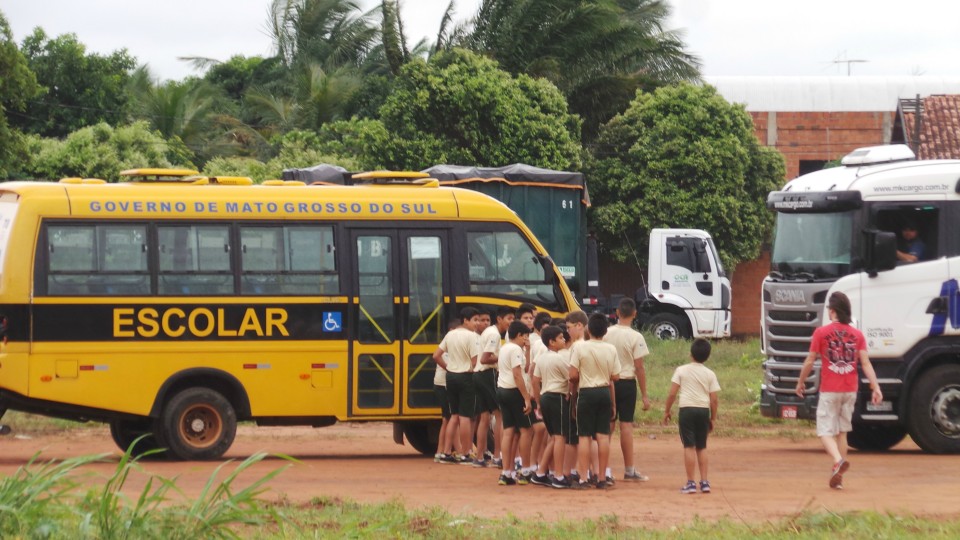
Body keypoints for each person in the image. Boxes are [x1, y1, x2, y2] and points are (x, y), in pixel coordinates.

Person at [795, 291, 883, 490]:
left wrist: (801, 382)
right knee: (842, 432)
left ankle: (837, 461)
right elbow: (866, 363)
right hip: (850, 389)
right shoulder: (857, 334)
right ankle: (839, 477)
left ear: (832, 311)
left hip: (830, 389)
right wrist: (875, 386)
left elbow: (810, 360)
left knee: (824, 431)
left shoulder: (821, 333)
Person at [569, 312, 619, 489]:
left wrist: (574, 393)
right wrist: (613, 402)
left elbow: (573, 375)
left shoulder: (579, 348)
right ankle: (602, 478)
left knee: (584, 436)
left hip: (586, 393)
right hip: (604, 391)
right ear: (605, 332)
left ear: (588, 329)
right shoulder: (610, 349)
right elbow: (615, 376)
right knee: (602, 436)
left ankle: (583, 477)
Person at [663, 338, 720, 494]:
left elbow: (672, 393)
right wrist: (713, 418)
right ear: (707, 356)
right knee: (702, 447)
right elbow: (714, 400)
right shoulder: (710, 374)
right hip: (703, 410)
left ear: (691, 354)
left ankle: (690, 483)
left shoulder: (681, 370)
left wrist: (666, 411)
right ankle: (705, 482)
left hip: (687, 410)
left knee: (689, 446)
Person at [604, 297, 652, 482]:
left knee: (607, 426)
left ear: (617, 313)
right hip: (627, 383)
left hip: (608, 382)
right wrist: (645, 395)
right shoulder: (636, 336)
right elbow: (639, 367)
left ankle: (604, 469)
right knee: (626, 426)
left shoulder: (606, 333)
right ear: (634, 314)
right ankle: (629, 470)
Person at [432, 307, 481, 464]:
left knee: (453, 415)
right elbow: (475, 361)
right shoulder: (472, 337)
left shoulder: (450, 334)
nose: (477, 323)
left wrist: (449, 368)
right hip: (466, 376)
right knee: (465, 416)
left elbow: (436, 355)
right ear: (465, 320)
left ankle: (446, 452)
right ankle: (465, 453)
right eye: (475, 320)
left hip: (450, 377)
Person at [531, 325, 572, 488]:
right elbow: (571, 378)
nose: (563, 340)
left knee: (554, 437)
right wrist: (569, 392)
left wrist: (539, 402)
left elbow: (535, 381)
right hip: (557, 397)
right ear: (551, 342)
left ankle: (541, 472)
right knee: (561, 436)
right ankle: (558, 475)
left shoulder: (541, 358)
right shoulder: (559, 358)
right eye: (561, 338)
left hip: (545, 396)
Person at [475, 306, 514, 467]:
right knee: (499, 415)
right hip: (487, 374)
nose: (511, 322)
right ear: (499, 319)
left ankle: (479, 457)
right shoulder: (494, 334)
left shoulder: (490, 332)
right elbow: (485, 359)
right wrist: (501, 357)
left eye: (513, 319)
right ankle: (498, 455)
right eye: (509, 318)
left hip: (478, 375)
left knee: (484, 417)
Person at [497, 321, 534, 486]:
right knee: (526, 430)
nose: (526, 339)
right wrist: (526, 397)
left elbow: (523, 367)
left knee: (509, 431)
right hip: (514, 391)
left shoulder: (505, 347)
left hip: (502, 389)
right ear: (519, 335)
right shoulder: (515, 349)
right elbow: (518, 374)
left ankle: (506, 472)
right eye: (525, 336)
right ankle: (525, 471)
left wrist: (528, 350)